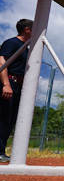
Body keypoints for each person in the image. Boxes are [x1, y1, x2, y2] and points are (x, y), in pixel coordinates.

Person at [0, 19, 33, 162]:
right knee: (3, 118)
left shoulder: (25, 48)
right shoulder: (12, 43)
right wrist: (6, 84)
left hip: (18, 86)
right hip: (9, 83)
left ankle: (1, 151)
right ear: (27, 30)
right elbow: (2, 62)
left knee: (10, 119)